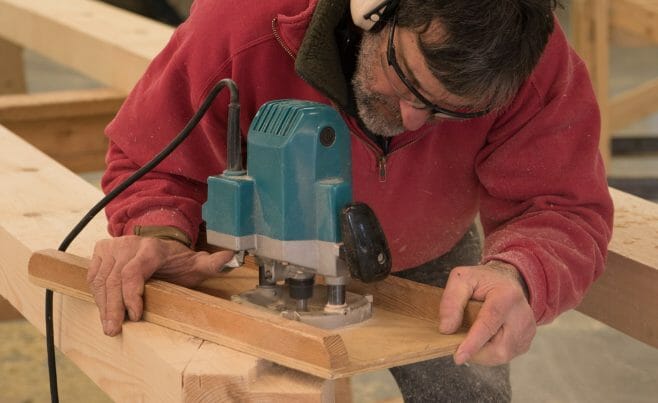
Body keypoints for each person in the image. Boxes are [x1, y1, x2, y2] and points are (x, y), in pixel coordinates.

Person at [88, 0, 614, 401]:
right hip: (246, 263)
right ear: (373, 9)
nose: (412, 119)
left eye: (450, 111)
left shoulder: (527, 58)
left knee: (466, 389)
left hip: (430, 254)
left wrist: (517, 274)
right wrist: (157, 232)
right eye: (405, 81)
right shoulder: (241, 22)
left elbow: (560, 206)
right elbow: (150, 158)